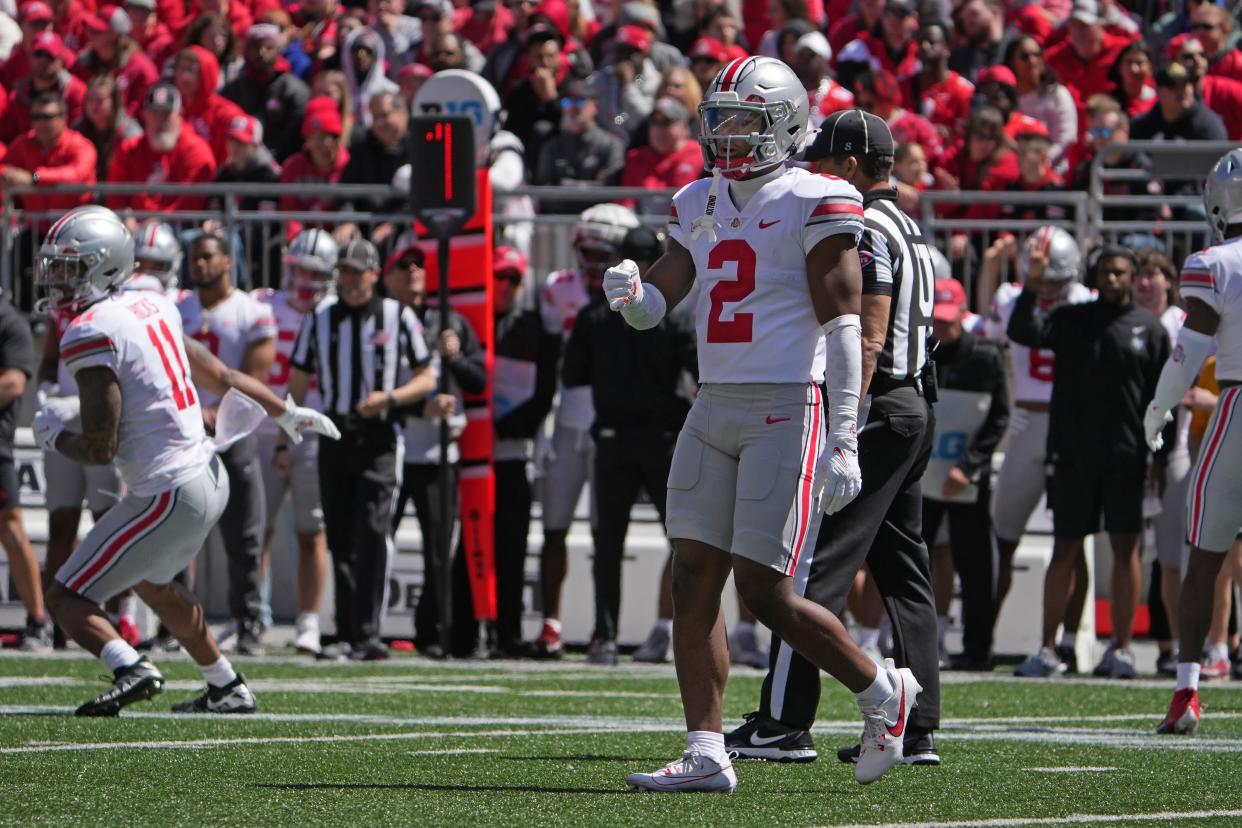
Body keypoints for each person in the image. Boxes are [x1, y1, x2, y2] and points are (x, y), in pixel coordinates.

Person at [616, 58, 919, 794]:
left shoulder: (817, 197)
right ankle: (705, 748)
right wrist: (630, 296)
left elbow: (845, 327)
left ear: (784, 123)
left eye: (743, 119)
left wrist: (844, 436)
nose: (727, 133)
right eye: (718, 118)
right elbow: (663, 299)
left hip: (790, 402)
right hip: (714, 400)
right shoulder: (698, 198)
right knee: (694, 576)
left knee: (764, 591)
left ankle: (883, 690)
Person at [35, 205, 335, 716]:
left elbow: (100, 447)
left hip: (167, 491)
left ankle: (131, 667)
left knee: (64, 593)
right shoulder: (154, 305)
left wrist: (53, 436)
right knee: (154, 582)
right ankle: (226, 684)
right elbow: (220, 374)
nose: (58, 278)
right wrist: (284, 409)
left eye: (69, 266)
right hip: (208, 474)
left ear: (103, 265)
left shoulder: (88, 330)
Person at [726, 108, 941, 768]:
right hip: (914, 403)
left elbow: (868, 331)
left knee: (812, 566)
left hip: (877, 406)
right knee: (905, 571)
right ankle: (919, 725)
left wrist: (843, 425)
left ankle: (784, 721)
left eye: (825, 160)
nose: (816, 172)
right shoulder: (908, 223)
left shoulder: (866, 224)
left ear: (850, 165)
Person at [1009, 242, 1170, 680]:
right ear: (1095, 277)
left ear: (1133, 277)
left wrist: (1161, 455)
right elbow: (1023, 331)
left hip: (1127, 456)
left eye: (1121, 272)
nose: (1113, 279)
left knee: (1125, 548)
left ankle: (1120, 650)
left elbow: (1163, 398)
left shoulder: (1151, 329)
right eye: (1106, 273)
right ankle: (1046, 650)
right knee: (1065, 547)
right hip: (1074, 456)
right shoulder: (1071, 319)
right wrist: (1034, 281)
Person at [287, 239, 436, 661]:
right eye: (345, 272)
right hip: (335, 435)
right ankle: (348, 630)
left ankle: (368, 633)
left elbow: (426, 378)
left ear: (374, 274)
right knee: (339, 536)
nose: (350, 280)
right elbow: (299, 380)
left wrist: (388, 398)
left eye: (358, 272)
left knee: (373, 531)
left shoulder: (397, 315)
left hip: (379, 437)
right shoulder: (319, 318)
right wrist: (287, 433)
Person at [561, 224, 697, 665]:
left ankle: (604, 637)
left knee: (608, 544)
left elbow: (572, 375)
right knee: (680, 539)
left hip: (613, 438)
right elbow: (699, 373)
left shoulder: (593, 317)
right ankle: (685, 630)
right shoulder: (673, 316)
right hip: (664, 440)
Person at [1148, 149, 1242, 732]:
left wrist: (1157, 410)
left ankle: (1187, 691)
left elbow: (1188, 356)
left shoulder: (1215, 264)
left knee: (1203, 557)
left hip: (1236, 405)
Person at [527, 203, 639, 662]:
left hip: (612, 420)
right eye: (588, 251)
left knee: (604, 532)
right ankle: (550, 622)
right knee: (554, 525)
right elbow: (550, 358)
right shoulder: (559, 289)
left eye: (604, 252)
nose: (594, 262)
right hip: (569, 419)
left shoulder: (639, 291)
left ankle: (602, 627)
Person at [980, 229, 1093, 669]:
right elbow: (994, 331)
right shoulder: (1014, 297)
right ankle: (982, 636)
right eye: (1040, 281)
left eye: (1054, 283)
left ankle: (1066, 640)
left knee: (1073, 538)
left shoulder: (1086, 300)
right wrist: (993, 267)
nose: (1047, 291)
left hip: (1070, 422)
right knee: (1003, 538)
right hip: (1026, 420)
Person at [383, 236, 487, 658]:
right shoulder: (378, 321)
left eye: (417, 265)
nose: (412, 272)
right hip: (391, 444)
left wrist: (457, 359)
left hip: (439, 452)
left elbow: (478, 381)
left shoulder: (451, 321)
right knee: (376, 540)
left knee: (438, 548)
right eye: (403, 266)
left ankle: (432, 632)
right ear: (386, 276)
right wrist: (418, 406)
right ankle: (364, 627)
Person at [178, 232, 278, 655]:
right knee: (176, 534)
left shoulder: (251, 311)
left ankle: (248, 619)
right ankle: (175, 622)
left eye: (207, 257)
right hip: (182, 434)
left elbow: (255, 376)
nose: (199, 265)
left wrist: (218, 413)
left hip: (232, 435)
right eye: (194, 258)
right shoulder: (175, 307)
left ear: (226, 261)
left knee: (244, 535)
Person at [251, 229, 337, 655]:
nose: (304, 279)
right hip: (265, 430)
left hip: (310, 435)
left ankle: (308, 620)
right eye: (299, 269)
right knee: (256, 531)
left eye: (314, 272)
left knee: (310, 531)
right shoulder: (263, 304)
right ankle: (254, 615)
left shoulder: (333, 313)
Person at [923, 277, 1009, 670]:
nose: (942, 328)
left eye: (948, 319)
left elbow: (999, 418)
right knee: (916, 558)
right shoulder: (923, 354)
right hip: (925, 473)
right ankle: (919, 643)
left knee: (977, 565)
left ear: (962, 314)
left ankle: (978, 649)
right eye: (936, 320)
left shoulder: (986, 357)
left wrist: (969, 466)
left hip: (967, 477)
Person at [1132, 251, 1188, 677]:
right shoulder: (1129, 322)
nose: (1145, 282)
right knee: (1148, 554)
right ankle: (1166, 643)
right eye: (1141, 275)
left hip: (1177, 445)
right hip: (1138, 448)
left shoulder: (1180, 324)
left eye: (1154, 273)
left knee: (1176, 555)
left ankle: (1197, 646)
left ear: (1169, 281)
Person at [107, 82, 217, 219]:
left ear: (180, 114)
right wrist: (126, 217)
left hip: (180, 229)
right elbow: (116, 194)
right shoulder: (128, 149)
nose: (159, 120)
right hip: (135, 228)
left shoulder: (196, 150)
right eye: (154, 113)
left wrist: (158, 221)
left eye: (166, 113)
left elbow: (191, 202)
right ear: (145, 115)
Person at [532, 78, 626, 215]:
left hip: (598, 224)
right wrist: (591, 187)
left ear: (595, 106)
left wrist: (563, 185)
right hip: (558, 222)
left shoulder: (611, 145)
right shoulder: (552, 146)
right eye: (567, 101)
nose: (573, 107)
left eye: (580, 101)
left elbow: (608, 193)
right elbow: (544, 194)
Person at [222, 23, 310, 163]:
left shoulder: (294, 90)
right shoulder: (233, 90)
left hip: (281, 165)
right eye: (256, 47)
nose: (262, 52)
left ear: (278, 50)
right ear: (246, 51)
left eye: (268, 47)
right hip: (239, 164)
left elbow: (296, 137)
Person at [172, 46, 247, 165]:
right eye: (181, 69)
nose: (184, 77)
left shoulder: (226, 114)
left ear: (207, 74)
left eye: (191, 70)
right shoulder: (172, 109)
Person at [1130, 62, 1227, 143]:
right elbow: (1134, 156)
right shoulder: (1143, 126)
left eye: (1185, 85)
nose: (1182, 92)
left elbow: (1217, 162)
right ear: (1158, 91)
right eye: (1174, 86)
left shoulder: (1207, 127)